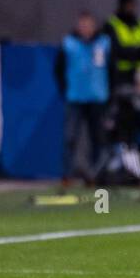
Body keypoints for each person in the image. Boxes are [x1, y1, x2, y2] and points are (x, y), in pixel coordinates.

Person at [55, 11, 111, 186]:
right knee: (70, 138)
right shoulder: (69, 44)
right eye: (82, 25)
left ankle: (96, 177)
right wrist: (65, 90)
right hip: (76, 98)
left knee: (98, 140)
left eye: (88, 25)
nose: (85, 28)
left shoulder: (104, 43)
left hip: (98, 98)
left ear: (94, 26)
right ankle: (67, 176)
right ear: (78, 26)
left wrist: (111, 95)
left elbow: (112, 69)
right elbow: (58, 70)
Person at [105, 0, 140, 83]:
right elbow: (114, 49)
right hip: (120, 74)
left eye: (132, 5)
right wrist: (138, 51)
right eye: (127, 6)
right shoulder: (112, 24)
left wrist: (131, 51)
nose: (130, 8)